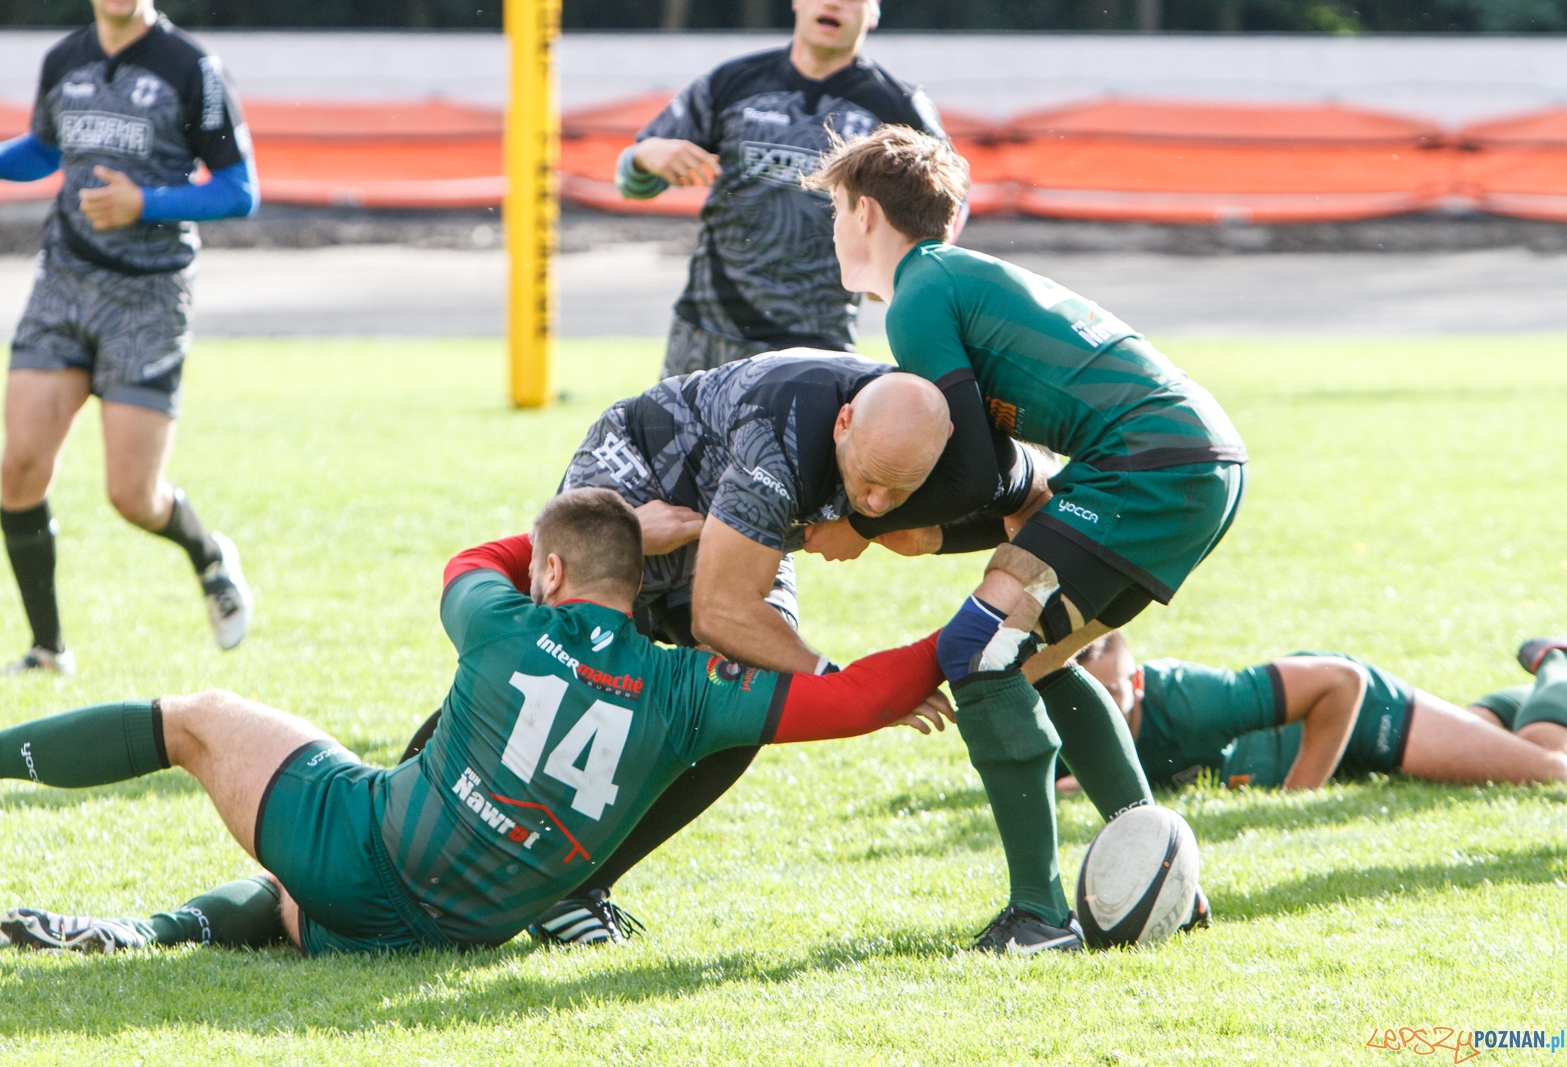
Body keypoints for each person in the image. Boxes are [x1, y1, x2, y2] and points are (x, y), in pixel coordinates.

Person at [0, 489, 951, 955]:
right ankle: (139, 929)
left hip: (369, 854)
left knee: (198, 718)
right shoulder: (692, 691)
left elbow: (466, 561)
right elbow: (863, 694)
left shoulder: (507, 621)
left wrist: (634, 527)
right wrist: (979, 624)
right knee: (292, 897)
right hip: (471, 922)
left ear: (554, 573)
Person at [801, 127, 1244, 952]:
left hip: (1148, 464)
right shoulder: (949, 276)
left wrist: (864, 522)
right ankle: (1163, 879)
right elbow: (992, 469)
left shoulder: (919, 293)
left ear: (863, 213)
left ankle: (1038, 914)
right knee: (1033, 656)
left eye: (833, 210)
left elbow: (970, 464)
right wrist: (914, 531)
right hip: (1195, 457)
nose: (832, 229)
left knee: (980, 650)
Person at [402, 352, 1009, 944]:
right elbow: (719, 614)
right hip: (642, 489)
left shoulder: (929, 437)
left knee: (740, 712)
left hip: (735, 529)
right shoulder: (781, 432)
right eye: (868, 483)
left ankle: (577, 889)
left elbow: (1024, 495)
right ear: (844, 423)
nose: (875, 505)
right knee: (564, 682)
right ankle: (405, 812)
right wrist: (843, 687)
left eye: (896, 490)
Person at [0, 0, 258, 674]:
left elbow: (241, 191)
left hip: (149, 299)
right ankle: (48, 650)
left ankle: (208, 554)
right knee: (19, 470)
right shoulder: (65, 59)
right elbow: (44, 150)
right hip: (63, 283)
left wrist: (144, 203)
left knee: (132, 496)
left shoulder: (192, 68)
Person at [616, 0, 948, 378]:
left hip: (819, 342)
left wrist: (906, 264)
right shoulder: (731, 83)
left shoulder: (897, 108)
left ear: (873, 14)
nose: (834, 3)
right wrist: (641, 157)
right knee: (677, 438)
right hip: (706, 331)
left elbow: (950, 200)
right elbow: (630, 184)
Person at [1070, 632, 1567, 792]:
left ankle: (1554, 662)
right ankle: (1511, 706)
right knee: (1487, 741)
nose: (1093, 711)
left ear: (1136, 681)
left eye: (1108, 696)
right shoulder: (1060, 725)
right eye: (1078, 699)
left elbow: (1341, 681)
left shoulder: (1191, 700)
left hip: (1360, 718)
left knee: (1549, 766)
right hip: (1333, 745)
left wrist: (1298, 794)